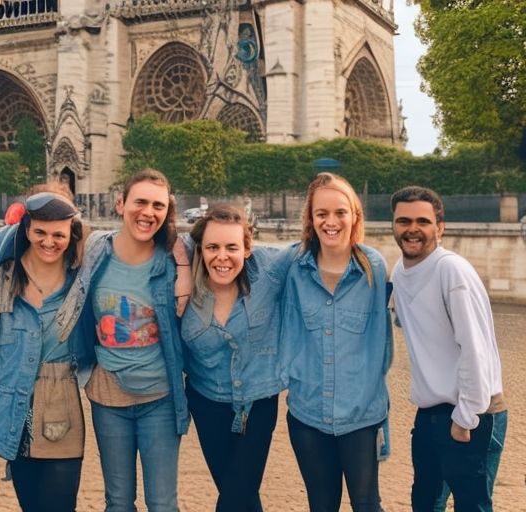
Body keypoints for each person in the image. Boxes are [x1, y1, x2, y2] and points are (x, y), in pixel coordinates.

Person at [55, 168, 190, 512]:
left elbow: (223, 241)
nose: (148, 212)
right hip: (108, 397)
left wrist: (186, 270)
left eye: (158, 205)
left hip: (159, 396)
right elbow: (30, 229)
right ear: (120, 204)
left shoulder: (175, 258)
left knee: (162, 503)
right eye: (140, 202)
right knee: (117, 502)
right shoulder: (96, 247)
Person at [0, 188, 91, 511]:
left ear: (71, 233)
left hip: (63, 412)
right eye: (40, 232)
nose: (49, 241)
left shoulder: (81, 283)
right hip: (15, 417)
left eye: (59, 234)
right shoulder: (4, 281)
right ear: (26, 230)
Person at [390, 186, 506, 512]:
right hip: (429, 412)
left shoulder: (451, 271)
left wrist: (465, 417)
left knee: (471, 507)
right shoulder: (400, 271)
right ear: (393, 225)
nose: (412, 229)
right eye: (403, 221)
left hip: (473, 411)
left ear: (440, 228)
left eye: (423, 221)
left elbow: (474, 349)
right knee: (424, 503)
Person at [281, 172, 391, 512]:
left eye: (340, 212)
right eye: (321, 213)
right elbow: (237, 255)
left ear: (355, 215)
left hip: (360, 417)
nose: (330, 221)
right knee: (321, 505)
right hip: (307, 413)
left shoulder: (374, 267)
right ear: (310, 219)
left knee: (367, 504)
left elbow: (385, 344)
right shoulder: (292, 267)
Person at [180, 204, 293, 511]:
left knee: (236, 492)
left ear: (247, 248)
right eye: (212, 247)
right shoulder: (182, 278)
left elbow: (316, 247)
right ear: (199, 249)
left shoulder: (269, 269)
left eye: (232, 247)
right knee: (239, 493)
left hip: (258, 402)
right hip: (205, 402)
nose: (222, 256)